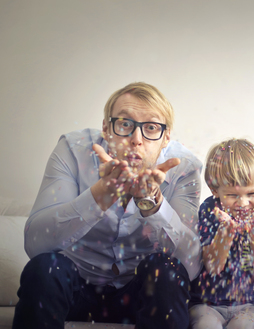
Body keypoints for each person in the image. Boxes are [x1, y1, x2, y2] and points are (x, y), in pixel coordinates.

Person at [12, 82, 202, 329]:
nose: (136, 140)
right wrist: (101, 196)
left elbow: (191, 266)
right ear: (106, 128)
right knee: (45, 267)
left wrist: (153, 204)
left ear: (166, 137)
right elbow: (35, 244)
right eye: (125, 124)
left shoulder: (183, 167)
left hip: (140, 293)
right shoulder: (73, 150)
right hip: (77, 286)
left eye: (151, 128)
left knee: (167, 270)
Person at [189, 139, 254, 329]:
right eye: (232, 195)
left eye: (252, 194)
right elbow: (213, 267)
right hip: (207, 303)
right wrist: (226, 231)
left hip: (252, 304)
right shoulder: (210, 209)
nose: (243, 203)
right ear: (215, 190)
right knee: (206, 326)